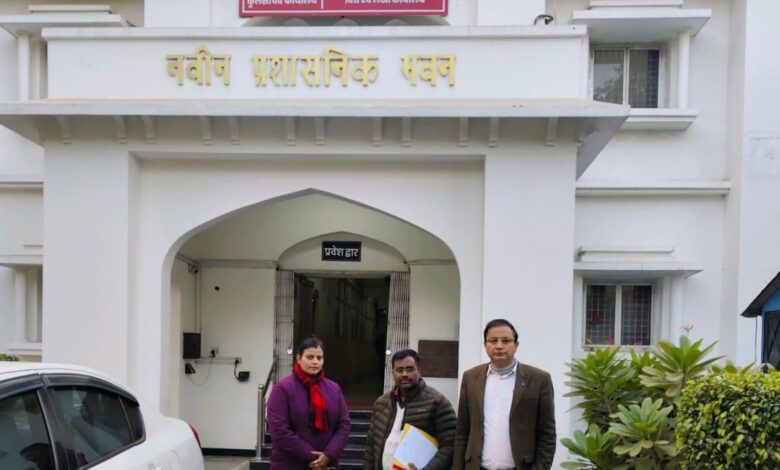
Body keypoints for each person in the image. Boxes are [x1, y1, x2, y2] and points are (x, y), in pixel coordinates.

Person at [453, 319, 556, 470]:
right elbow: (462, 430)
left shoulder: (539, 379)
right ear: (485, 345)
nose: (499, 346)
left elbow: (547, 434)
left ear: (516, 345)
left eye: (506, 340)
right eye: (493, 340)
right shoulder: (471, 377)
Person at [363, 349, 457, 470]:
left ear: (419, 372)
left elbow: (450, 445)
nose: (404, 374)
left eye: (409, 369)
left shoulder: (437, 402)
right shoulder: (381, 404)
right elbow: (371, 447)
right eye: (399, 370)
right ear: (392, 374)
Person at [267, 338, 351, 469]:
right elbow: (279, 431)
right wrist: (314, 458)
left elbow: (344, 425)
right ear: (299, 358)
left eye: (319, 358)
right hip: (290, 464)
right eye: (310, 357)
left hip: (327, 464)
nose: (315, 362)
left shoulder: (334, 389)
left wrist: (328, 455)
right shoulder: (282, 389)